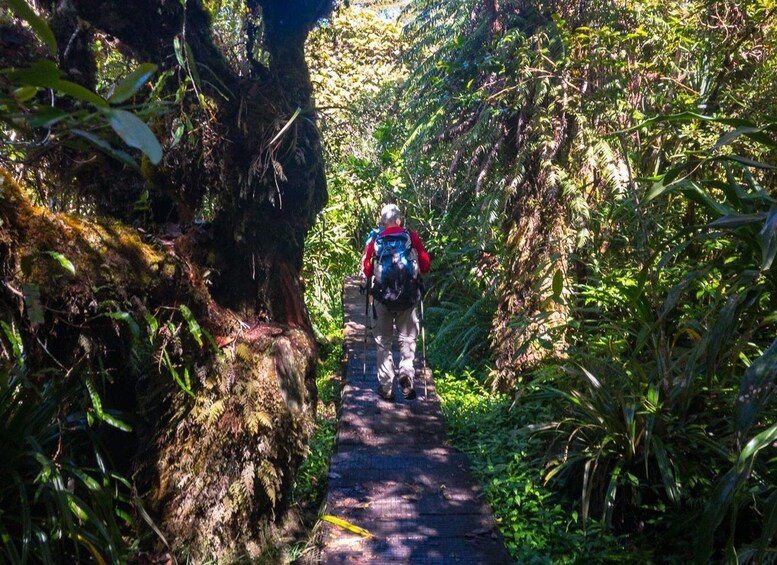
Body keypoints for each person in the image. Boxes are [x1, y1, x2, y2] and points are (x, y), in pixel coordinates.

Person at [362, 204, 431, 401]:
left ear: (382, 221)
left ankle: (386, 387)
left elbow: (367, 270)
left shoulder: (376, 239)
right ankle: (406, 375)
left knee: (383, 341)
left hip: (383, 297)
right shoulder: (411, 237)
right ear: (399, 220)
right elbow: (425, 264)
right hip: (408, 297)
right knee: (407, 338)